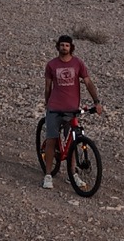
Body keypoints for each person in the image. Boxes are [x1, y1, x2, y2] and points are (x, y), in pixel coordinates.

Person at [40, 34, 100, 188]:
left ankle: (73, 174)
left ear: (71, 47)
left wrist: (96, 102)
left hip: (72, 110)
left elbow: (88, 82)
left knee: (73, 142)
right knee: (52, 140)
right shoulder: (51, 65)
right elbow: (48, 87)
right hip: (54, 108)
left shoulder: (78, 63)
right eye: (61, 45)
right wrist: (47, 104)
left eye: (67, 45)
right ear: (58, 46)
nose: (64, 48)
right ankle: (48, 175)